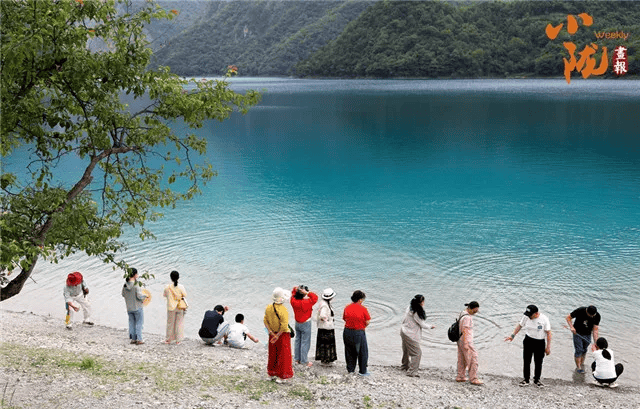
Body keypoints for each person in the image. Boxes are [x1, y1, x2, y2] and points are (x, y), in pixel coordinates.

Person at [504, 305, 552, 387]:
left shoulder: (544, 319)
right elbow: (520, 326)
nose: (528, 317)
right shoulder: (526, 317)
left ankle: (537, 380)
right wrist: (512, 336)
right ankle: (526, 379)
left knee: (538, 362)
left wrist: (548, 347)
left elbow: (548, 333)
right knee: (526, 361)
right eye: (527, 314)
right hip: (528, 340)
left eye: (530, 315)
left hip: (540, 342)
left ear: (536, 313)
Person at [400, 294, 435, 377]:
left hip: (403, 330)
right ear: (421, 302)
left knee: (406, 350)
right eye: (423, 301)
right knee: (417, 353)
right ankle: (411, 372)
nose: (424, 303)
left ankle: (405, 366)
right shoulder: (416, 312)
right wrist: (431, 326)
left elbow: (404, 318)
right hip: (410, 334)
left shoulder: (410, 307)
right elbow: (422, 324)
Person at [264, 287, 294, 382]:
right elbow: (284, 326)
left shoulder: (268, 307)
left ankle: (271, 373)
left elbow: (265, 321)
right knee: (283, 355)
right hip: (282, 335)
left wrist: (271, 333)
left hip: (272, 333)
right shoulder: (283, 310)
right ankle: (282, 376)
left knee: (273, 353)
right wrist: (278, 335)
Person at [343, 290, 371, 376]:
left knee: (349, 351)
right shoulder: (363, 309)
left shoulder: (347, 307)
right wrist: (363, 326)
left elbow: (344, 318)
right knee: (362, 352)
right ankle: (362, 371)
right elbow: (368, 321)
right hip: (358, 332)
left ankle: (350, 369)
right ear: (360, 300)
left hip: (347, 331)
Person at [566, 305, 600, 373]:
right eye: (590, 315)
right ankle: (578, 367)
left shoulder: (597, 316)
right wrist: (572, 327)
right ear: (587, 311)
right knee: (579, 350)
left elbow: (595, 330)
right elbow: (568, 317)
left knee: (584, 350)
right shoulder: (580, 310)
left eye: (593, 315)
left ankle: (582, 364)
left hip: (588, 334)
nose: (592, 316)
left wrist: (596, 343)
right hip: (577, 333)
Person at [290, 285, 318, 367]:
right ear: (303, 294)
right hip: (306, 323)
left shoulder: (293, 301)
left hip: (297, 322)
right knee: (305, 342)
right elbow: (315, 297)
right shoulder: (306, 302)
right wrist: (307, 292)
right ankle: (304, 361)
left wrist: (297, 289)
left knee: (298, 340)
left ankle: (297, 359)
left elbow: (292, 293)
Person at [456, 301, 483, 385]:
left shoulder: (462, 313)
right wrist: (466, 344)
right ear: (471, 309)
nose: (475, 313)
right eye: (475, 311)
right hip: (466, 341)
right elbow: (465, 330)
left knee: (462, 359)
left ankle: (460, 376)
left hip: (459, 339)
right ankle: (473, 378)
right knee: (473, 359)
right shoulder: (467, 317)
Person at [121, 268, 148, 345]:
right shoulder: (136, 285)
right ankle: (139, 339)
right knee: (139, 323)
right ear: (135, 275)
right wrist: (145, 296)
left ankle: (133, 339)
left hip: (129, 308)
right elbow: (139, 296)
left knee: (131, 323)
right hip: (137, 307)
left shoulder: (125, 285)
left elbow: (123, 294)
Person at [163, 270, 187, 344]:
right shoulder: (181, 287)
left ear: (171, 278)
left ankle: (168, 339)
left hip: (171, 307)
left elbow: (164, 295)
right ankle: (178, 340)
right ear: (178, 278)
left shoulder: (167, 287)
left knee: (170, 323)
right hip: (180, 306)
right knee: (179, 323)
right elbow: (185, 295)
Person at [315, 288, 338, 365]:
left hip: (322, 327)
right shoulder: (325, 305)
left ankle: (324, 359)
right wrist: (327, 321)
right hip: (326, 328)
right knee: (328, 344)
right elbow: (322, 315)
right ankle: (327, 360)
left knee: (323, 344)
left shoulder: (323, 303)